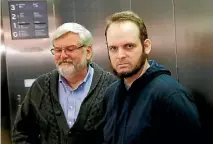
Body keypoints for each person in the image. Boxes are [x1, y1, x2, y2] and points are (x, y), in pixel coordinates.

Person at [103, 11, 204, 144]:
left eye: (129, 46)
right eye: (113, 48)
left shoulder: (171, 96)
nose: (120, 55)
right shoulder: (110, 95)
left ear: (146, 46)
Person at [12, 22, 116, 144]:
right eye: (58, 50)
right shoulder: (39, 87)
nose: (63, 55)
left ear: (88, 52)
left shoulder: (112, 86)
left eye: (70, 49)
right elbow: (21, 133)